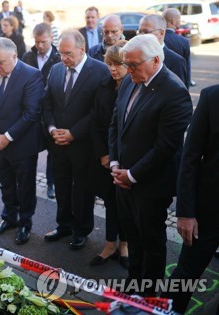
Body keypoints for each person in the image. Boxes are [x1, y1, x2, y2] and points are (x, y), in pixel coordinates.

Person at [108, 34, 192, 296]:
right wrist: (115, 163)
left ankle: (148, 296)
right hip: (122, 177)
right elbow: (116, 124)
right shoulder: (130, 81)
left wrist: (131, 175)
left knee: (151, 242)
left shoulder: (175, 92)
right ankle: (134, 286)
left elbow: (165, 147)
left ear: (155, 60)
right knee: (133, 238)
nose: (128, 70)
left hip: (150, 185)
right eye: (126, 64)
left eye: (133, 65)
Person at [42, 29, 110, 250]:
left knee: (82, 189)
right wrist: (52, 129)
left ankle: (81, 229)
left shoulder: (100, 71)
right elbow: (48, 103)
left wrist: (73, 133)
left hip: (83, 144)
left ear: (82, 50)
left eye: (68, 54)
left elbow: (97, 112)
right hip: (58, 142)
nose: (64, 58)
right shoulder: (55, 70)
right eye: (61, 53)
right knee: (61, 185)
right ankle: (64, 225)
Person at [0, 38, 44, 245]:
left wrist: (6, 137)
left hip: (22, 145)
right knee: (5, 183)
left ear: (14, 57)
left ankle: (25, 223)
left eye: (1, 62)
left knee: (24, 186)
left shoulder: (31, 75)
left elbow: (31, 113)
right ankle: (9, 218)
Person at [162, 84, 219, 313]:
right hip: (209, 208)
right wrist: (186, 212)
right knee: (185, 274)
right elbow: (190, 157)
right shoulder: (212, 97)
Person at [89, 41, 129, 268]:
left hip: (126, 159)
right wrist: (103, 155)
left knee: (123, 203)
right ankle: (109, 243)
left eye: (118, 64)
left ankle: (124, 243)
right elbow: (95, 123)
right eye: (110, 64)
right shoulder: (103, 86)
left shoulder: (136, 86)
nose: (113, 69)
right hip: (105, 158)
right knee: (110, 202)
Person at [21, 22, 61, 199]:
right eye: (37, 42)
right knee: (29, 150)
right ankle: (27, 183)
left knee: (53, 152)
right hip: (31, 114)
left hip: (51, 112)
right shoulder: (28, 56)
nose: (40, 46)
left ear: (51, 39)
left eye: (43, 42)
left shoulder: (59, 59)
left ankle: (51, 183)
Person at [138, 14, 189, 89]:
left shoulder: (176, 61)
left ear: (161, 33)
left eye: (146, 32)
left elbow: (179, 94)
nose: (142, 36)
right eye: (140, 32)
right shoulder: (137, 56)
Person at [163, 8, 193, 87]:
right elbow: (187, 68)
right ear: (173, 21)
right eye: (179, 19)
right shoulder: (184, 41)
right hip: (178, 83)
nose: (180, 22)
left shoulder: (157, 39)